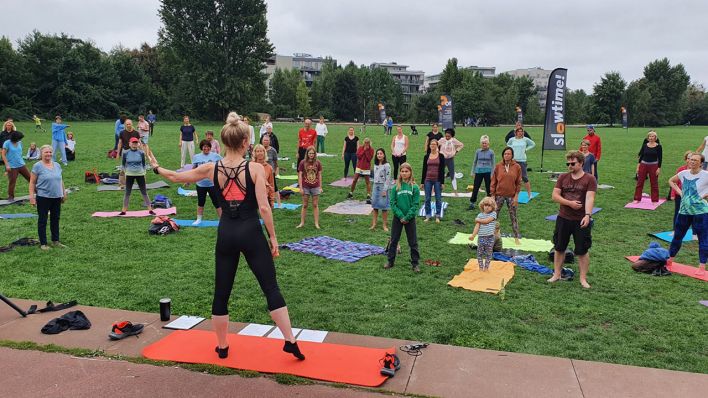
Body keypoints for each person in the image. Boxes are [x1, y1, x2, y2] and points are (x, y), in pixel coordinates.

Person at [149, 112, 305, 361]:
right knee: (270, 288)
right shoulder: (254, 168)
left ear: (223, 143)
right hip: (251, 231)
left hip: (226, 233)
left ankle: (222, 346)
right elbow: (264, 208)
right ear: (245, 143)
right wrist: (273, 238)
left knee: (222, 293)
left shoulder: (213, 167)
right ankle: (290, 341)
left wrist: (156, 167)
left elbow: (177, 177)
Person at [548, 151, 597, 288]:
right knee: (559, 247)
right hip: (563, 218)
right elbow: (554, 196)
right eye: (568, 163)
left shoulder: (589, 179)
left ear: (581, 163)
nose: (570, 166)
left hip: (581, 220)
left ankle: (583, 278)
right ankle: (557, 274)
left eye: (573, 163)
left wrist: (587, 215)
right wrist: (569, 203)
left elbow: (590, 197)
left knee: (582, 250)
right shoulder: (563, 177)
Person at [668, 152, 708, 276]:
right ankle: (669, 260)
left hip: (700, 212)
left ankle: (702, 267)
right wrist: (680, 192)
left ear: (701, 163)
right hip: (684, 211)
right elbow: (671, 181)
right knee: (677, 236)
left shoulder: (706, 175)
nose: (692, 162)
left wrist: (705, 195)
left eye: (695, 160)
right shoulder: (683, 173)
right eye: (690, 159)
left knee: (703, 239)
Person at [29, 145, 66, 250]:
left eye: (50, 152)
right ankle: (43, 243)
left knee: (55, 219)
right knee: (43, 220)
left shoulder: (57, 165)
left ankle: (55, 241)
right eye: (46, 152)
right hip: (43, 197)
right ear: (41, 154)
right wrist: (32, 197)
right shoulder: (37, 166)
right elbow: (32, 183)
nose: (48, 154)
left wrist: (63, 192)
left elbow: (60, 180)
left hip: (56, 197)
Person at [385, 162, 420, 272]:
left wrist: (407, 217)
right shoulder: (396, 187)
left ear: (410, 173)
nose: (404, 173)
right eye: (402, 171)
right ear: (400, 173)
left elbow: (415, 205)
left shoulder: (415, 187)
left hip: (410, 218)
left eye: (406, 171)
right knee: (394, 240)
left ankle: (415, 264)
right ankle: (390, 261)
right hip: (398, 218)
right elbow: (392, 203)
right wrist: (400, 216)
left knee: (413, 242)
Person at [490, 147, 522, 245]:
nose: (507, 155)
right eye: (505, 154)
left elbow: (518, 183)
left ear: (512, 155)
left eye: (509, 154)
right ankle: (490, 235)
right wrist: (492, 195)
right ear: (503, 155)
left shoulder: (517, 167)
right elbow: (494, 181)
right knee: (493, 216)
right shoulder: (498, 166)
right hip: (499, 195)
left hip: (511, 196)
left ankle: (516, 237)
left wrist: (516, 196)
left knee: (513, 216)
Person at [119, 137, 155, 216]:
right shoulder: (125, 153)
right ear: (129, 144)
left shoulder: (141, 152)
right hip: (129, 175)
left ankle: (150, 210)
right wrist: (125, 172)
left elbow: (143, 164)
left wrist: (144, 173)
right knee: (127, 192)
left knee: (144, 192)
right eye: (133, 143)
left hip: (140, 174)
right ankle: (123, 210)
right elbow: (123, 164)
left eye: (136, 143)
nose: (134, 144)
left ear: (138, 144)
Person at [192, 140, 223, 225]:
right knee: (201, 202)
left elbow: (223, 165)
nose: (206, 148)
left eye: (207, 146)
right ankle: (199, 219)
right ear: (201, 147)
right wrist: (188, 180)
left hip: (213, 184)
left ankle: (222, 220)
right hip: (200, 184)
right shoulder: (196, 157)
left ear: (210, 147)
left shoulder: (216, 156)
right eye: (204, 146)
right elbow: (193, 170)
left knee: (216, 202)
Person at [468, 196, 497, 272]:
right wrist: (473, 235)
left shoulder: (493, 214)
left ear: (492, 207)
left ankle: (486, 268)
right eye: (485, 205)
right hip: (481, 238)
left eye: (489, 205)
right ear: (482, 206)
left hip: (490, 238)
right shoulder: (480, 215)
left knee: (488, 254)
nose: (487, 207)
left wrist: (477, 220)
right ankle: (481, 267)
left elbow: (487, 221)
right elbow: (477, 226)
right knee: (479, 253)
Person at [634, 130, 662, 203]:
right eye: (650, 136)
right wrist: (638, 166)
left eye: (653, 136)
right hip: (643, 165)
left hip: (654, 166)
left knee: (654, 183)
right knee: (640, 182)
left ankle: (655, 200)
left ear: (655, 138)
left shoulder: (658, 146)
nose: (651, 138)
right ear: (648, 137)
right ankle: (637, 198)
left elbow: (660, 158)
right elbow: (641, 156)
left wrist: (659, 168)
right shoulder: (645, 146)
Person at [506, 126, 535, 198]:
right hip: (514, 161)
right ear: (516, 133)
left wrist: (526, 149)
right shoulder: (512, 139)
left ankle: (529, 194)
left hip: (522, 161)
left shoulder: (525, 139)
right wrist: (511, 150)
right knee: (512, 177)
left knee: (524, 177)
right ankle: (512, 193)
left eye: (521, 132)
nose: (520, 133)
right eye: (519, 132)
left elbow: (533, 144)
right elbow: (508, 145)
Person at [297, 146, 322, 229]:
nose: (311, 155)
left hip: (315, 186)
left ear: (315, 154)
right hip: (305, 186)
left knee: (315, 204)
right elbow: (300, 175)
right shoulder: (302, 162)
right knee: (305, 205)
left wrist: (320, 187)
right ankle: (302, 222)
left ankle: (316, 223)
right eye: (310, 153)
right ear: (307, 154)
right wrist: (300, 187)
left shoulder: (318, 163)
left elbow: (319, 175)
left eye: (313, 153)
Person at [421, 139, 446, 223]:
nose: (433, 146)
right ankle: (428, 215)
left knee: (438, 198)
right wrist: (422, 182)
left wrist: (442, 182)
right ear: (429, 146)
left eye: (434, 144)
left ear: (437, 146)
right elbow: (424, 169)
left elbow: (442, 170)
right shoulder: (426, 156)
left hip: (437, 180)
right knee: (427, 198)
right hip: (427, 180)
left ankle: (437, 216)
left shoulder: (441, 156)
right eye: (431, 144)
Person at [2, 131, 31, 201]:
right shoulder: (7, 143)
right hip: (12, 166)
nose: (20, 140)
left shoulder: (19, 143)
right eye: (19, 138)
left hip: (21, 164)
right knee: (12, 181)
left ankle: (38, 192)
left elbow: (19, 153)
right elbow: (3, 155)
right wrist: (7, 165)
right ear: (15, 138)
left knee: (31, 178)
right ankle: (11, 197)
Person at [469, 135, 495, 210]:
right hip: (478, 171)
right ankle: (472, 203)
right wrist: (472, 172)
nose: (484, 145)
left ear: (488, 144)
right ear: (481, 144)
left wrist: (492, 174)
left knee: (488, 188)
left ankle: (490, 203)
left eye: (485, 143)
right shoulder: (478, 151)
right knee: (476, 187)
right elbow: (474, 162)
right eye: (483, 143)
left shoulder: (491, 152)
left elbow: (493, 164)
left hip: (488, 172)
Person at [438, 128, 464, 196]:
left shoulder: (454, 141)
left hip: (450, 159)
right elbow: (435, 144)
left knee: (452, 175)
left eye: (448, 136)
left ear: (452, 136)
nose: (447, 137)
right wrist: (438, 152)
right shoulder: (442, 140)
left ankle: (455, 191)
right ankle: (438, 190)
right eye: (446, 136)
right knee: (440, 174)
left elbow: (461, 145)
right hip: (442, 159)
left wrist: (456, 151)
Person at [371, 148, 392, 231]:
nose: (379, 155)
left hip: (383, 187)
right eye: (378, 154)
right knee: (375, 206)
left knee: (384, 207)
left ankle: (384, 225)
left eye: (381, 153)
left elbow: (388, 179)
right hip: (375, 187)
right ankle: (374, 224)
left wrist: (385, 190)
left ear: (384, 155)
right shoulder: (375, 164)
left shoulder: (387, 165)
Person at [347, 137, 374, 203]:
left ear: (370, 143)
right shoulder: (360, 148)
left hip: (366, 167)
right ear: (363, 143)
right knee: (354, 180)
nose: (366, 144)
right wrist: (364, 150)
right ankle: (351, 193)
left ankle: (368, 195)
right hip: (359, 166)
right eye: (365, 143)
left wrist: (367, 151)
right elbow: (358, 156)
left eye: (368, 143)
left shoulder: (371, 150)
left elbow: (369, 159)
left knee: (367, 182)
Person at [671, 151, 693, 225]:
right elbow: (674, 182)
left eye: (692, 159)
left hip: (692, 196)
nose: (690, 160)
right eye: (688, 158)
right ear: (685, 159)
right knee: (678, 212)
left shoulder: (699, 171)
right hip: (680, 195)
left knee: (694, 214)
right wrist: (673, 194)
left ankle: (695, 233)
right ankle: (675, 230)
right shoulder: (681, 169)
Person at [117, 119, 141, 188]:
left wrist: (142, 151)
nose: (128, 125)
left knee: (138, 167)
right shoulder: (122, 133)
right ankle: (122, 184)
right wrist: (118, 153)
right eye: (127, 124)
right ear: (125, 125)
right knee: (123, 168)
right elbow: (120, 143)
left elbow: (139, 142)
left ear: (132, 124)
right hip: (125, 151)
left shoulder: (136, 133)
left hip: (135, 151)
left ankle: (140, 183)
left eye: (129, 124)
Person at [252, 144, 276, 208]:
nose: (260, 153)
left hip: (265, 196)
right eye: (258, 151)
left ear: (264, 152)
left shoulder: (269, 168)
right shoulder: (250, 166)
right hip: (252, 196)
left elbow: (271, 184)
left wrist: (272, 200)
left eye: (261, 151)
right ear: (255, 153)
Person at [262, 135, 281, 207]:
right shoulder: (260, 149)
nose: (265, 142)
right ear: (262, 141)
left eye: (267, 140)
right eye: (264, 140)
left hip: (271, 172)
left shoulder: (273, 150)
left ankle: (279, 204)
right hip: (261, 172)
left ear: (269, 142)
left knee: (274, 187)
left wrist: (276, 171)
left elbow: (276, 162)